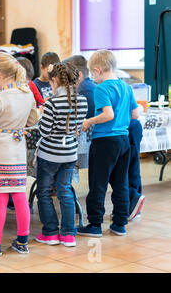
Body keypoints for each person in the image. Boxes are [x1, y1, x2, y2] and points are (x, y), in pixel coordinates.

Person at [0, 52, 38, 256]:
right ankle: (22, 240)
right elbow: (32, 121)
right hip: (18, 151)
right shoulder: (27, 93)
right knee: (20, 195)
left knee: (0, 198)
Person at [78, 49, 139, 237]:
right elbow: (135, 115)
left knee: (98, 183)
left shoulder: (102, 88)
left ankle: (95, 224)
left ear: (97, 70)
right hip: (123, 140)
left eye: (92, 74)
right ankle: (119, 223)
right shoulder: (126, 87)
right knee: (120, 183)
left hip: (104, 141)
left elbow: (108, 114)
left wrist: (89, 121)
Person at [34, 62, 88, 247]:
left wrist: (40, 117)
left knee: (44, 192)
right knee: (65, 191)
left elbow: (45, 132)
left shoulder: (52, 103)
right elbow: (77, 128)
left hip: (49, 155)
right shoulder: (82, 101)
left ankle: (50, 232)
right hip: (70, 154)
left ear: (55, 80)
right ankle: (68, 234)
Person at [127, 119, 145, 221]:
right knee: (133, 166)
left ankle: (132, 199)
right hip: (133, 126)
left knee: (118, 170)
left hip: (122, 128)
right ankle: (133, 200)